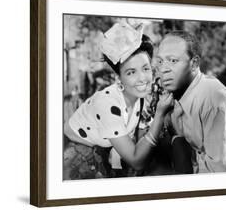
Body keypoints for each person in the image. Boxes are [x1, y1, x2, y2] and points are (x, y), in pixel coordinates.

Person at [64, 22, 174, 173]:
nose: (142, 78)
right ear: (119, 78)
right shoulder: (107, 104)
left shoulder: (138, 97)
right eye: (131, 72)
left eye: (145, 68)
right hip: (76, 160)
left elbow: (140, 139)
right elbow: (137, 161)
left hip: (101, 153)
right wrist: (160, 114)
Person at [156, 31, 226, 173]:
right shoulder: (175, 97)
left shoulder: (214, 103)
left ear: (194, 63)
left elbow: (218, 175)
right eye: (160, 61)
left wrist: (179, 144)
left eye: (173, 61)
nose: (164, 69)